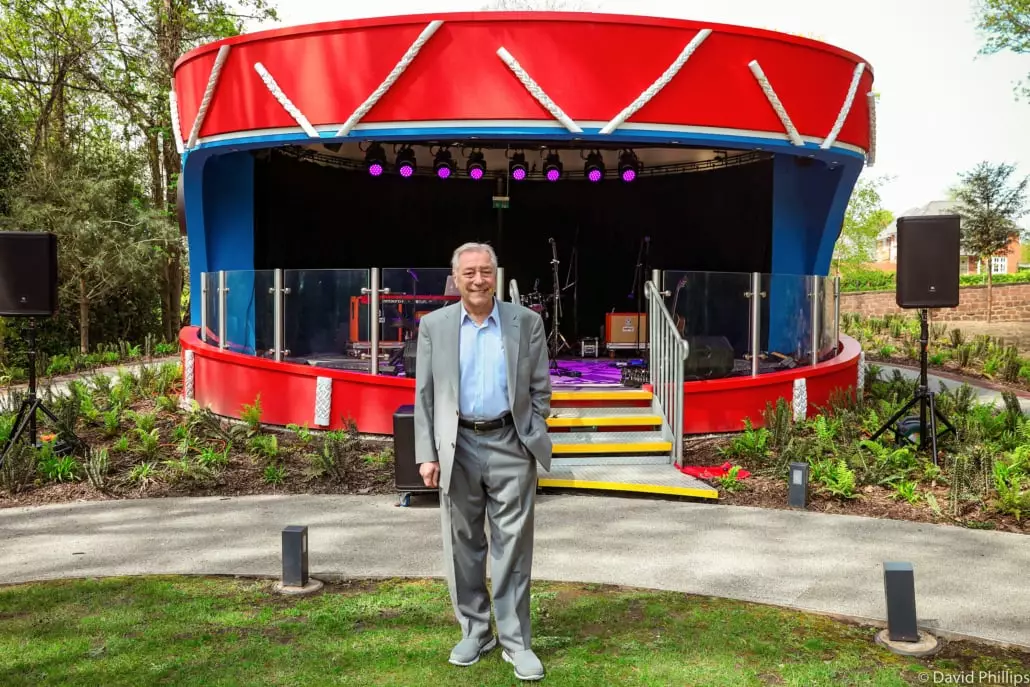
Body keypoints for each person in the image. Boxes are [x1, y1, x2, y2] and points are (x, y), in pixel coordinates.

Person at [414, 241, 552, 681]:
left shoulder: (526, 322)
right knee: (463, 546)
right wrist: (426, 453)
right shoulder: (434, 325)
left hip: (511, 443)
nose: (478, 279)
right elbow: (425, 396)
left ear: (496, 274)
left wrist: (532, 430)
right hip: (457, 448)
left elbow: (540, 389)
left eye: (486, 271)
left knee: (513, 547)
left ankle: (515, 640)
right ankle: (475, 631)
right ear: (455, 278)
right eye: (469, 272)